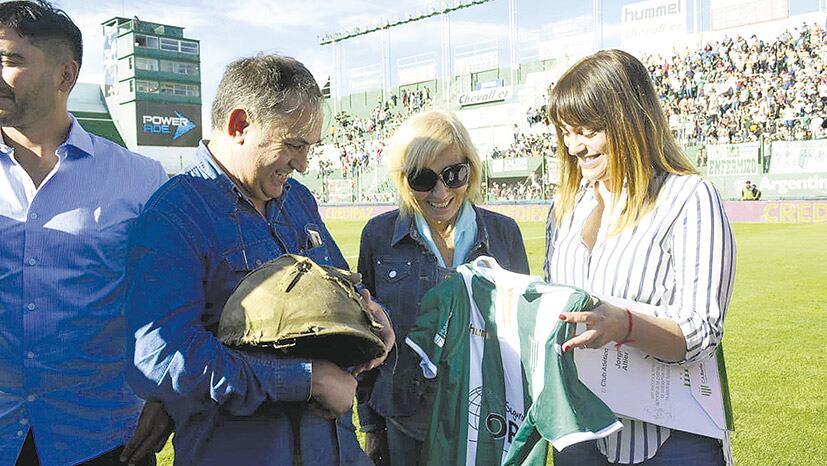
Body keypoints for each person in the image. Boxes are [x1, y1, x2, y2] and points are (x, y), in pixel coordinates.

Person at [124, 54, 393, 465]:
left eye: (310, 147)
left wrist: (372, 318)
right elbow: (162, 357)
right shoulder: (174, 214)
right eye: (294, 145)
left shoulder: (298, 200)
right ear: (240, 125)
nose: (303, 164)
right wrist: (307, 380)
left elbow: (343, 290)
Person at [544, 49, 736, 465]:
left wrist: (623, 325)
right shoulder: (564, 207)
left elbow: (701, 331)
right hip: (579, 432)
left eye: (588, 130)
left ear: (629, 119)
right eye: (566, 131)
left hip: (669, 440)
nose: (574, 145)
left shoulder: (688, 197)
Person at [0, 1, 171, 465]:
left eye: (10, 60)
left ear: (65, 75)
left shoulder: (141, 179)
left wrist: (164, 396)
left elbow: (174, 298)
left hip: (101, 435)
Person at [356, 110, 530, 466]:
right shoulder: (378, 236)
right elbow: (365, 339)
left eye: (454, 174)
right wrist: (371, 425)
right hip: (405, 422)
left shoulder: (504, 234)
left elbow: (524, 338)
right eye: (423, 179)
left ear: (472, 169)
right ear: (404, 179)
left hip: (486, 425)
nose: (441, 191)